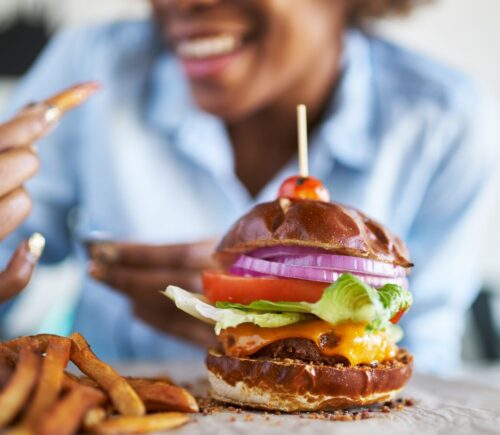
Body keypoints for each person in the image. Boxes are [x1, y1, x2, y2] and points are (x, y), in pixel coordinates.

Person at [0, 0, 498, 371]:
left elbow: (427, 359)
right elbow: (14, 264)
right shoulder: (93, 66)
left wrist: (278, 326)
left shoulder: (441, 120)